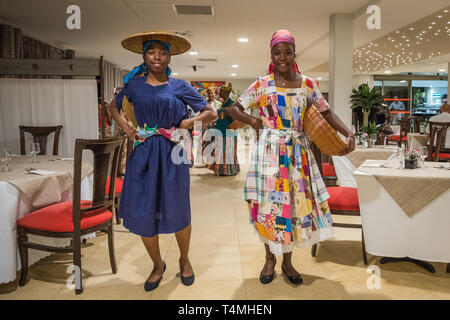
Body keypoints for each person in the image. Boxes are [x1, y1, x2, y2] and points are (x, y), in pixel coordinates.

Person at [229, 29, 355, 285]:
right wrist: (255, 122)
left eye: (287, 52)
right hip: (270, 155)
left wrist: (348, 132)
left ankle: (287, 262)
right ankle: (269, 258)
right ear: (271, 55)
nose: (282, 57)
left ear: (294, 54)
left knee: (293, 205)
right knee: (268, 206)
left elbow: (327, 113)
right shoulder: (262, 84)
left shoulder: (308, 84)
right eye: (277, 52)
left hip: (298, 155)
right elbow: (234, 108)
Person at [109, 30, 217, 292]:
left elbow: (211, 112)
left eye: (163, 52)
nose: (157, 57)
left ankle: (184, 258)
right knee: (143, 209)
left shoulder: (180, 86)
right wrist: (125, 125)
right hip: (143, 153)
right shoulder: (134, 86)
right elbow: (113, 106)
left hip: (173, 153)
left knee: (178, 208)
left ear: (169, 57)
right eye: (151, 52)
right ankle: (157, 264)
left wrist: (188, 122)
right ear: (144, 56)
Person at [204, 84, 240, 176]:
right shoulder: (223, 104)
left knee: (227, 151)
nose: (220, 94)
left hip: (228, 132)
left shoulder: (232, 104)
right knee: (220, 151)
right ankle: (221, 169)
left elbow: (236, 119)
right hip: (220, 131)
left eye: (222, 92)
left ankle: (227, 170)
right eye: (220, 92)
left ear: (227, 93)